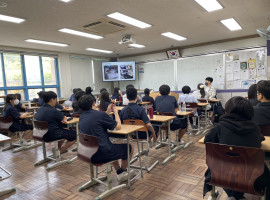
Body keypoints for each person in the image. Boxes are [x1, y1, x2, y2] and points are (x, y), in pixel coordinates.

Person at [203, 96, 269, 200]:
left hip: (221, 173)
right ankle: (236, 195)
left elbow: (207, 142)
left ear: (227, 111)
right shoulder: (255, 129)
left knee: (226, 166)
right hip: (251, 176)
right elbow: (260, 140)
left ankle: (232, 195)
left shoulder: (219, 127)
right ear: (249, 113)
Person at [78, 95, 135, 182]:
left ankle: (119, 171)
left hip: (86, 153)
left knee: (110, 145)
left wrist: (106, 112)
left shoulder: (81, 116)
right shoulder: (100, 114)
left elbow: (98, 118)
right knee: (130, 147)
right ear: (93, 103)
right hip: (101, 154)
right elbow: (118, 126)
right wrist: (116, 112)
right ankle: (123, 173)